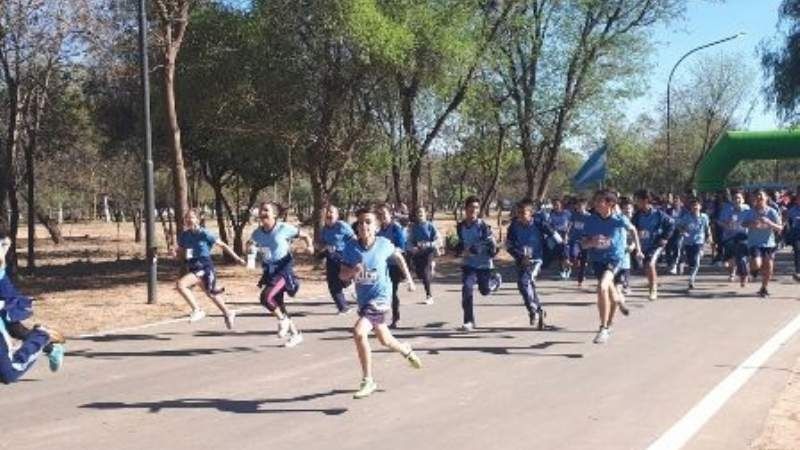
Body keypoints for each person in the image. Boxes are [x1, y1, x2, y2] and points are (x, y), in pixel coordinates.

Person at [340, 207, 421, 399]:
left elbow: (399, 257)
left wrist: (409, 279)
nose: (363, 226)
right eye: (360, 222)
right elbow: (342, 275)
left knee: (359, 332)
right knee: (385, 340)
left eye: (368, 222)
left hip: (381, 300)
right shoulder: (351, 248)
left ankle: (368, 380)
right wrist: (353, 272)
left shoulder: (384, 244)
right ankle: (406, 350)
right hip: (364, 301)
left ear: (376, 226)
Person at [0, 234, 66, 383]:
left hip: (5, 297)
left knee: (8, 374)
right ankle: (47, 343)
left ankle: (42, 337)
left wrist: (3, 245)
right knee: (15, 329)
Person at [248, 202, 314, 347]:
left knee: (265, 297)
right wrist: (251, 250)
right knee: (278, 304)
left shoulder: (283, 228)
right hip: (269, 271)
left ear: (274, 214)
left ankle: (283, 320)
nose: (263, 213)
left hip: (284, 270)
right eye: (261, 210)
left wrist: (309, 246)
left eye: (266, 210)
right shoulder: (257, 233)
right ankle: (295, 334)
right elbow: (251, 245)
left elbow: (305, 235)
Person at [582, 190, 642, 344]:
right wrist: (592, 242)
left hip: (615, 259)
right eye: (595, 201)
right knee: (612, 296)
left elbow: (633, 230)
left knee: (602, 286)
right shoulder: (590, 220)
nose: (595, 204)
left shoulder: (619, 219)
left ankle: (603, 328)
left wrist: (638, 250)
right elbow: (583, 243)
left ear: (610, 204)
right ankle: (609, 324)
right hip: (597, 260)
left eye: (599, 201)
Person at [174, 209, 245, 329]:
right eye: (186, 218)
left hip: (204, 266)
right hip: (192, 266)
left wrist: (237, 258)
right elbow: (181, 252)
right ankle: (228, 312)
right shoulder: (184, 236)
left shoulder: (205, 234)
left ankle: (198, 310)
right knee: (210, 293)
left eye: (191, 217)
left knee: (181, 285)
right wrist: (175, 254)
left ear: (197, 219)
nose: (188, 220)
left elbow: (223, 245)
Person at [506, 199, 556, 329]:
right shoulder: (514, 226)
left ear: (531, 213)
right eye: (519, 213)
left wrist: (563, 253)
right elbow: (509, 245)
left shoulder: (539, 224)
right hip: (522, 260)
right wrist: (520, 256)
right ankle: (537, 310)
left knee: (524, 282)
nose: (521, 216)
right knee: (526, 286)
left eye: (524, 213)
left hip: (536, 260)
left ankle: (534, 310)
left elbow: (554, 236)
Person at [454, 196, 499, 331]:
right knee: (467, 289)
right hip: (469, 264)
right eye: (471, 207)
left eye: (476, 207)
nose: (473, 210)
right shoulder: (460, 226)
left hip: (484, 264)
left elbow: (491, 243)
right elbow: (461, 243)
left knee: (484, 291)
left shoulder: (483, 226)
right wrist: (457, 249)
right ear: (466, 208)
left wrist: (476, 249)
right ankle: (469, 321)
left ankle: (495, 281)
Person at [632, 189, 675, 301]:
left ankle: (653, 290)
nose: (636, 202)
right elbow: (632, 229)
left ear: (646, 200)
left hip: (656, 244)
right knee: (646, 266)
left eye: (638, 200)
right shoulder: (637, 215)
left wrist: (665, 238)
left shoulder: (658, 214)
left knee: (650, 264)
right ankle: (652, 282)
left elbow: (671, 224)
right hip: (643, 245)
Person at [742, 190, 783, 298]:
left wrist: (769, 222)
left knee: (769, 268)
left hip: (769, 244)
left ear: (766, 198)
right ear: (755, 199)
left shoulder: (772, 211)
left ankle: (763, 288)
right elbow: (743, 223)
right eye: (757, 196)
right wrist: (752, 223)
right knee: (757, 264)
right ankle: (753, 270)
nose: (759, 198)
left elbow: (780, 227)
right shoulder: (751, 212)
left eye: (761, 196)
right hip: (754, 243)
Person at [318, 205, 356, 314]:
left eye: (331, 212)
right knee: (332, 284)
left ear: (337, 215)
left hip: (343, 257)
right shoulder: (324, 229)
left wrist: (352, 252)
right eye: (327, 213)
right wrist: (320, 247)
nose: (329, 215)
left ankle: (350, 283)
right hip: (330, 258)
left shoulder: (342, 226)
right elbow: (322, 243)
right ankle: (343, 307)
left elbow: (353, 238)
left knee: (343, 279)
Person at [376, 204, 408, 329]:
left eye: (384, 214)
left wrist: (390, 251)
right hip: (382, 266)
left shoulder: (395, 228)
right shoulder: (379, 231)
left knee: (392, 292)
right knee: (380, 293)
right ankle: (378, 319)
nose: (382, 217)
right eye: (380, 215)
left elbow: (401, 247)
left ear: (390, 214)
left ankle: (395, 318)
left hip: (394, 265)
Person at [407, 206, 440, 305]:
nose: (420, 214)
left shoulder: (430, 226)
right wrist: (411, 248)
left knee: (425, 273)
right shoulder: (414, 227)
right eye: (418, 213)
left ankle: (429, 296)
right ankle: (431, 267)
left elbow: (438, 239)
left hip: (428, 251)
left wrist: (428, 245)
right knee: (419, 273)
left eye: (422, 212)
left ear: (426, 214)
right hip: (418, 252)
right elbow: (410, 240)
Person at [677, 198, 712, 290]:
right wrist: (683, 231)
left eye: (697, 205)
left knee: (697, 262)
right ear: (690, 207)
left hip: (699, 242)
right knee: (691, 262)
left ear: (700, 206)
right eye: (693, 205)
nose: (695, 207)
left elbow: (707, 227)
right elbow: (679, 225)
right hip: (688, 242)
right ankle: (689, 268)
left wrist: (709, 237)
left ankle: (691, 280)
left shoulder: (704, 217)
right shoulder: (686, 217)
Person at [718, 190, 750, 287]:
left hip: (743, 237)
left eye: (739, 198)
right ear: (732, 200)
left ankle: (743, 277)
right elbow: (719, 221)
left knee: (741, 258)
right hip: (729, 237)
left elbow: (752, 220)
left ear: (743, 199)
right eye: (735, 198)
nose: (737, 200)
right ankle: (733, 272)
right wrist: (726, 224)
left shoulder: (748, 209)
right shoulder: (727, 210)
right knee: (728, 262)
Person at [569, 198, 592, 288]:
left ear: (585, 206)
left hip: (585, 240)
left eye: (580, 206)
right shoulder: (574, 215)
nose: (578, 207)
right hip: (575, 239)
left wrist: (589, 237)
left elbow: (591, 228)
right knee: (573, 254)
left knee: (583, 261)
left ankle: (580, 279)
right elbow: (570, 225)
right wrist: (567, 234)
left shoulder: (589, 216)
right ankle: (576, 260)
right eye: (577, 205)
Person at [547, 198, 572, 280]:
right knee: (560, 252)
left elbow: (570, 223)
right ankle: (563, 268)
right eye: (554, 205)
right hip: (556, 234)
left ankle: (567, 267)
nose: (556, 206)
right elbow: (549, 224)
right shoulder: (551, 214)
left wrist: (567, 233)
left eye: (557, 205)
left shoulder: (567, 213)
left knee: (564, 249)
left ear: (561, 205)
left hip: (565, 233)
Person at [665, 196, 687, 275]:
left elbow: (687, 222)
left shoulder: (685, 212)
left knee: (678, 247)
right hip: (669, 232)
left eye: (677, 201)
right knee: (668, 248)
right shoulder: (668, 211)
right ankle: (670, 263)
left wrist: (684, 230)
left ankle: (675, 265)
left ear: (681, 203)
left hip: (680, 232)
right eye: (674, 201)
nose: (675, 203)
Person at [785, 193, 800, 281]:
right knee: (797, 250)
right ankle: (798, 271)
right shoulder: (792, 210)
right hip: (796, 234)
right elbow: (787, 221)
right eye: (799, 198)